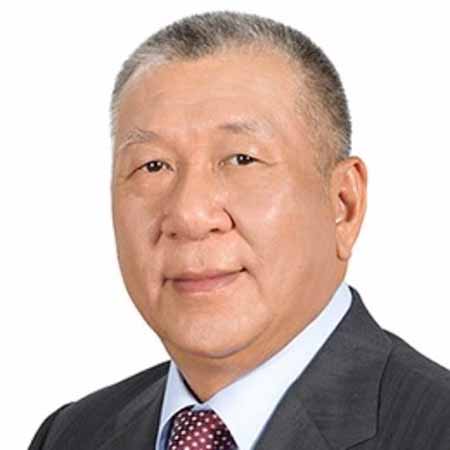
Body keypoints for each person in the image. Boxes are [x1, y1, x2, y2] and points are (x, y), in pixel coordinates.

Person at [29, 11, 450, 450]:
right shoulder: (70, 435)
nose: (190, 215)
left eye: (241, 159)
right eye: (153, 166)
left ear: (344, 204)